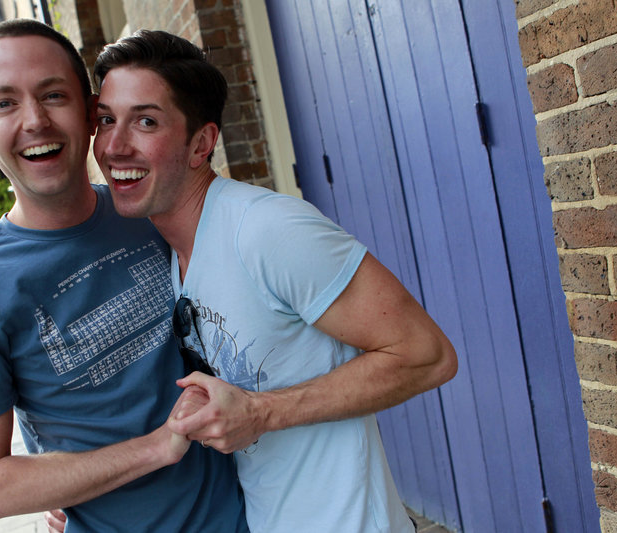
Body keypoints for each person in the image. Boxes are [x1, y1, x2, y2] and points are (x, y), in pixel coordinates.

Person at [88, 30, 458, 533]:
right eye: (106, 119)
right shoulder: (172, 254)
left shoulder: (267, 230)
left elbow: (427, 354)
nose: (114, 144)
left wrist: (261, 413)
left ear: (202, 143)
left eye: (145, 121)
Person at [0, 19, 247, 532]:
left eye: (53, 95)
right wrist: (155, 448)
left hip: (250, 512)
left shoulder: (150, 212)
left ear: (90, 111)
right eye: (4, 103)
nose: (35, 120)